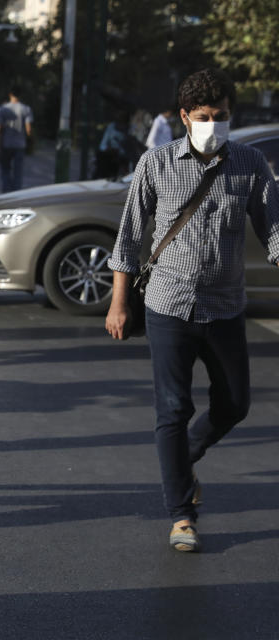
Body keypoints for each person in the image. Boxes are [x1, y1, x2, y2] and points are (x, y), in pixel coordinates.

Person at [106, 68, 279, 553]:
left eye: (220, 116)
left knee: (236, 403)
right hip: (168, 305)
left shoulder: (250, 163)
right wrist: (119, 302)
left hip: (225, 308)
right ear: (184, 117)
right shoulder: (156, 164)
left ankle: (182, 461)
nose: (212, 124)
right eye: (202, 117)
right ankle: (182, 514)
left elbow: (275, 230)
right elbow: (129, 237)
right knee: (173, 410)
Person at [0, 86, 33, 192]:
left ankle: (6, 191)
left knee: (5, 169)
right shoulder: (26, 109)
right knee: (18, 172)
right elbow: (28, 129)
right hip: (20, 144)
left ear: (10, 94)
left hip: (6, 143)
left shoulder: (3, 109)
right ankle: (16, 192)